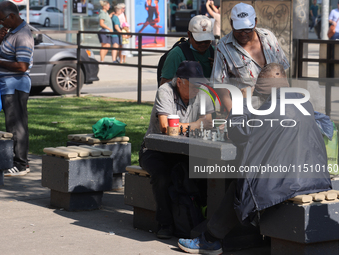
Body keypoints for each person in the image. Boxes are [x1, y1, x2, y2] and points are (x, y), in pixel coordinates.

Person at [177, 63, 332, 254]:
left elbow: (237, 130)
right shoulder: (304, 104)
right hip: (317, 179)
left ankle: (210, 239)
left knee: (242, 185)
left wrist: (243, 102)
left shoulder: (267, 111)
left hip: (288, 184)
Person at [139, 61, 214, 239]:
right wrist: (196, 125)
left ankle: (199, 221)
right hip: (155, 149)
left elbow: (209, 121)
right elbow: (166, 128)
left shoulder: (202, 92)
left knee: (206, 172)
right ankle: (165, 224)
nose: (198, 88)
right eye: (193, 84)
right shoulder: (165, 90)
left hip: (185, 150)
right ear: (179, 81)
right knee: (163, 176)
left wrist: (185, 127)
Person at [211, 2, 289, 115]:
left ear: (255, 22)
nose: (243, 33)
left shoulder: (269, 38)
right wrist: (235, 114)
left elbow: (283, 72)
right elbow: (220, 86)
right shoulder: (223, 47)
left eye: (247, 29)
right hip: (247, 111)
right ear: (231, 24)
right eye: (239, 29)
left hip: (277, 107)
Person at [0, 1, 34, 176]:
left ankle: (21, 164)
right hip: (7, 85)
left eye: (2, 19)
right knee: (10, 123)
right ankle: (13, 159)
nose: (1, 23)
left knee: (17, 124)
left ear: (12, 16)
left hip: (16, 85)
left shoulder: (23, 35)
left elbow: (22, 66)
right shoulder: (11, 32)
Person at [160, 15, 215, 85]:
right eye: (199, 41)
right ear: (189, 35)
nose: (203, 44)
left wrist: (217, 69)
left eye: (207, 41)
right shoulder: (177, 54)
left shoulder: (214, 52)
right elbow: (164, 84)